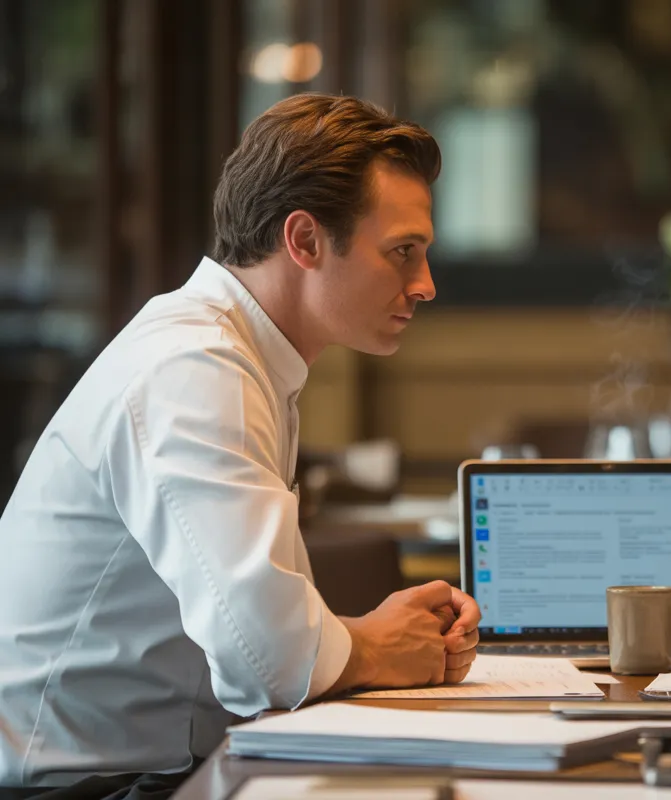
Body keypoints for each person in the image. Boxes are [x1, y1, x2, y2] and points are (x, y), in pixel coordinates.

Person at [0, 94, 480, 793]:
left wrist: (381, 637)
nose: (425, 284)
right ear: (305, 241)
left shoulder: (239, 356)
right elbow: (271, 665)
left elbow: (262, 640)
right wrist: (376, 644)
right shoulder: (196, 368)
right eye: (402, 252)